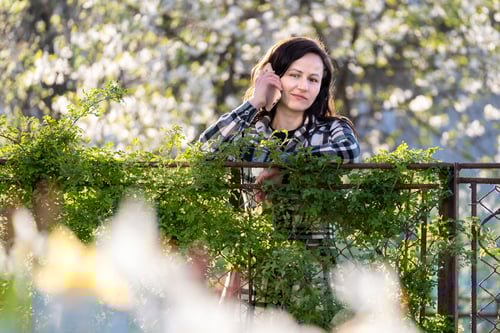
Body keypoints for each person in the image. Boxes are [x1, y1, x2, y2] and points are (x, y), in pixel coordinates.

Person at [199, 36, 360, 203]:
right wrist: (255, 101)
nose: (303, 87)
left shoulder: (331, 129)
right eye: (295, 75)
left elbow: (350, 151)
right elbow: (204, 154)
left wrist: (283, 166)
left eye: (313, 80)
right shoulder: (248, 134)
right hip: (256, 229)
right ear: (272, 76)